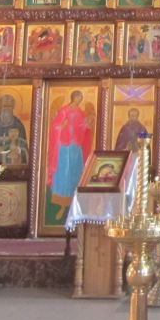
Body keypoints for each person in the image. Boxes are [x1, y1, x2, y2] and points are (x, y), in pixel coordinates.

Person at [47, 91, 93, 222]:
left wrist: (87, 125)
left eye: (82, 98)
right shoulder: (64, 110)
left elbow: (82, 127)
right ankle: (62, 205)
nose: (80, 100)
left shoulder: (80, 112)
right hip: (64, 146)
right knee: (64, 172)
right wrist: (62, 126)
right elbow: (55, 126)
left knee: (75, 171)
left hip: (75, 146)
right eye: (79, 97)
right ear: (74, 97)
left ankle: (75, 202)